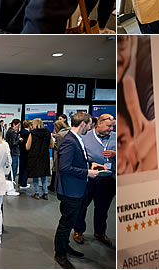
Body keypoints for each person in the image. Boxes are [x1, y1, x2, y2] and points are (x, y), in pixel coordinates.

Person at [53, 112, 101, 269]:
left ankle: (65, 247)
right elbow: (64, 167)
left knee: (70, 221)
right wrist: (88, 172)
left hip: (77, 188)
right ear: (83, 124)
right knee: (66, 223)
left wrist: (89, 166)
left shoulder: (75, 139)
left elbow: (75, 161)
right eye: (89, 124)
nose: (91, 126)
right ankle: (60, 254)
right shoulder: (69, 141)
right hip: (70, 190)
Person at [73, 114, 116, 247]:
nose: (111, 129)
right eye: (108, 126)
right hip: (90, 178)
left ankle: (100, 232)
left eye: (113, 126)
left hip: (108, 179)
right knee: (82, 206)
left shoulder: (117, 137)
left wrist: (117, 154)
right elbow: (79, 157)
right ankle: (78, 230)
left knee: (102, 209)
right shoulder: (85, 138)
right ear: (99, 124)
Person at [26, 118, 53, 200]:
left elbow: (28, 147)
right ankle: (45, 193)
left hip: (34, 157)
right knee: (43, 175)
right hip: (44, 156)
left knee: (35, 175)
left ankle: (37, 193)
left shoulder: (32, 134)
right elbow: (51, 145)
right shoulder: (48, 133)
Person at [49, 119, 70, 192]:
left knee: (56, 170)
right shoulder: (69, 131)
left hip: (59, 155)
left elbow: (57, 146)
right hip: (68, 155)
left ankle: (55, 187)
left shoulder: (59, 135)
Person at [5, 119, 21, 185]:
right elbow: (13, 143)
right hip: (14, 152)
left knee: (12, 169)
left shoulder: (8, 131)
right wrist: (19, 140)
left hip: (10, 151)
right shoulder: (13, 132)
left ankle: (9, 181)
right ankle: (11, 182)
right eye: (18, 125)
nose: (19, 127)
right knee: (14, 169)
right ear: (14, 124)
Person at [18, 120, 31, 189]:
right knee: (25, 168)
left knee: (21, 167)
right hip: (26, 152)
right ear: (29, 125)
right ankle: (24, 184)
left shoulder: (21, 132)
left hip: (21, 152)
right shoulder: (28, 134)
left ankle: (20, 181)